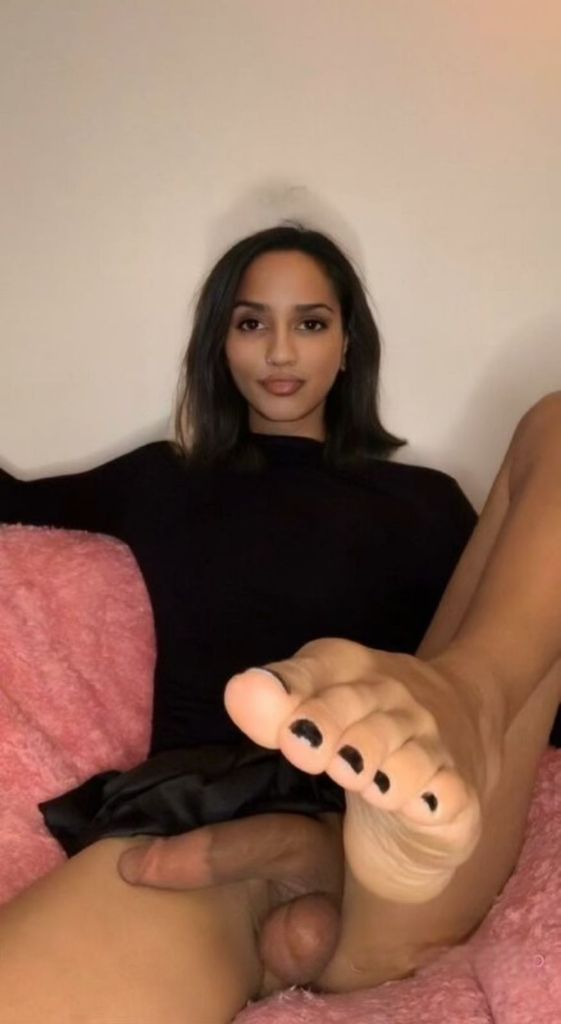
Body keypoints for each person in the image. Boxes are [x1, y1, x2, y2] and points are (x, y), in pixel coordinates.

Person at [0, 223, 559, 1021]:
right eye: (251, 322)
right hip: (211, 811)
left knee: (556, 424)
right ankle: (324, 904)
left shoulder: (427, 503)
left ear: (347, 343)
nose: (281, 351)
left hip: (404, 793)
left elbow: (530, 623)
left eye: (310, 322)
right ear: (220, 344)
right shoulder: (164, 480)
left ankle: (454, 716)